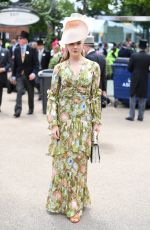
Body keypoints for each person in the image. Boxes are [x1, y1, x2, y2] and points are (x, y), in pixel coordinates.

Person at [46, 13, 102, 223]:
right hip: (64, 123)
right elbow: (53, 96)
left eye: (78, 42)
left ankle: (75, 204)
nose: (75, 46)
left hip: (83, 123)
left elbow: (95, 95)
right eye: (71, 43)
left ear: (83, 43)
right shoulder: (59, 68)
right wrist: (53, 123)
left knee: (79, 165)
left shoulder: (93, 67)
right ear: (66, 45)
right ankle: (59, 200)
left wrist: (97, 122)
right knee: (61, 163)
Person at [12, 30, 39, 118]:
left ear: (25, 40)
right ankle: (17, 110)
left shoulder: (32, 50)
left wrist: (34, 74)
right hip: (20, 75)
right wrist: (13, 76)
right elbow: (15, 64)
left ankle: (31, 108)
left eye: (20, 38)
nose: (19, 40)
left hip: (29, 76)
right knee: (19, 91)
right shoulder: (16, 50)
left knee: (30, 93)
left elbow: (36, 65)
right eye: (19, 39)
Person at [126, 39, 150, 121]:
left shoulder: (134, 55)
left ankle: (131, 115)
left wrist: (134, 71)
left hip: (135, 78)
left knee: (132, 96)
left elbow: (129, 68)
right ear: (146, 47)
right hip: (144, 78)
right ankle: (140, 116)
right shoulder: (148, 57)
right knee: (142, 98)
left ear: (139, 46)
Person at [83, 35, 108, 107]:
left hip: (90, 91)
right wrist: (104, 90)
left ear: (86, 45)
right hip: (99, 89)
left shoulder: (88, 58)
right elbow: (104, 76)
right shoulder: (101, 57)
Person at [0, 39, 11, 112]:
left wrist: (4, 69)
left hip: (1, 75)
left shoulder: (6, 51)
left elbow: (9, 63)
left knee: (0, 92)